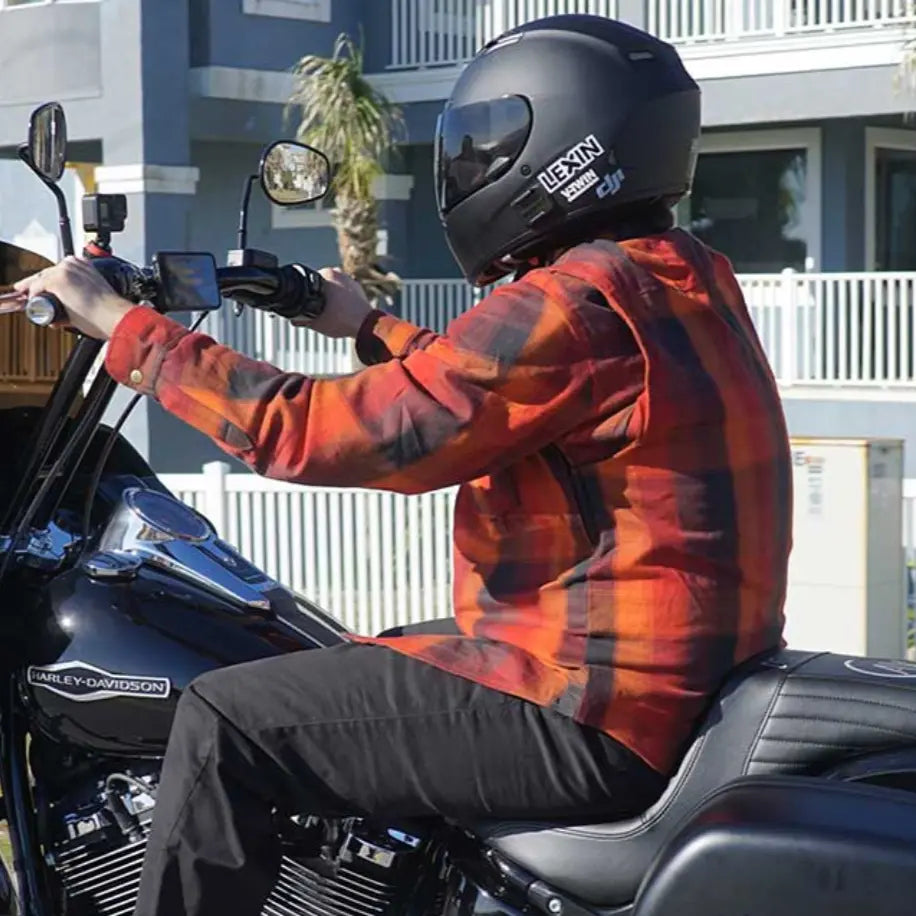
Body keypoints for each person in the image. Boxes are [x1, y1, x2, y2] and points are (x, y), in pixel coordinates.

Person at [14, 14, 792, 916]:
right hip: (660, 689)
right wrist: (365, 326)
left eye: (486, 140)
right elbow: (483, 395)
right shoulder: (677, 276)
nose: (467, 162)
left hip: (588, 708)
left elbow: (331, 433)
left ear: (559, 147)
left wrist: (126, 328)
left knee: (227, 720)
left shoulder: (576, 300)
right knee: (336, 661)